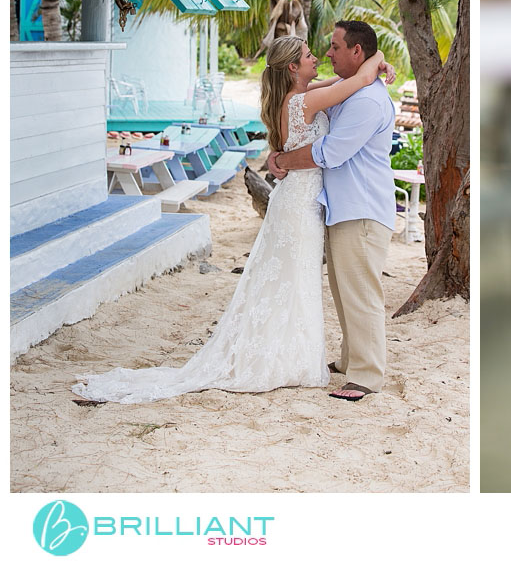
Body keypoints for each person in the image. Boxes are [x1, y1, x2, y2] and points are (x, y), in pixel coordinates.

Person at [72, 35, 394, 403]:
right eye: (309, 55)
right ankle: (289, 357)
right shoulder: (304, 101)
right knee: (292, 278)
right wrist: (377, 59)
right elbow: (358, 80)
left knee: (295, 279)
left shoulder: (302, 95)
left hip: (303, 201)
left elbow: (347, 80)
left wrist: (376, 58)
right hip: (299, 204)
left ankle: (297, 354)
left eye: (327, 50)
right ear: (293, 67)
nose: (319, 57)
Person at [268, 21, 396, 402]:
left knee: (362, 293)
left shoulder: (367, 101)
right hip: (342, 208)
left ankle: (367, 375)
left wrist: (282, 160)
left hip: (361, 209)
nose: (327, 53)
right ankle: (350, 360)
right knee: (345, 292)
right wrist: (376, 60)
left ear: (357, 52)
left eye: (335, 46)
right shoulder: (349, 88)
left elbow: (331, 152)